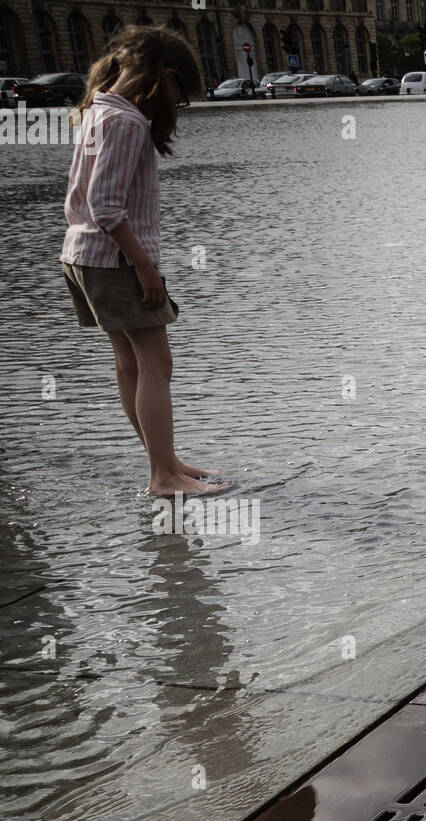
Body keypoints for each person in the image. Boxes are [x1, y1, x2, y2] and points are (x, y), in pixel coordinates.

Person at [60, 25, 215, 498]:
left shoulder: (97, 108)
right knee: (156, 362)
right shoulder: (127, 121)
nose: (177, 107)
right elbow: (107, 206)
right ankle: (164, 476)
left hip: (82, 254)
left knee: (129, 363)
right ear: (164, 76)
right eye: (179, 95)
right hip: (115, 259)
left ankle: (164, 461)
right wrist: (147, 269)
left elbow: (92, 203)